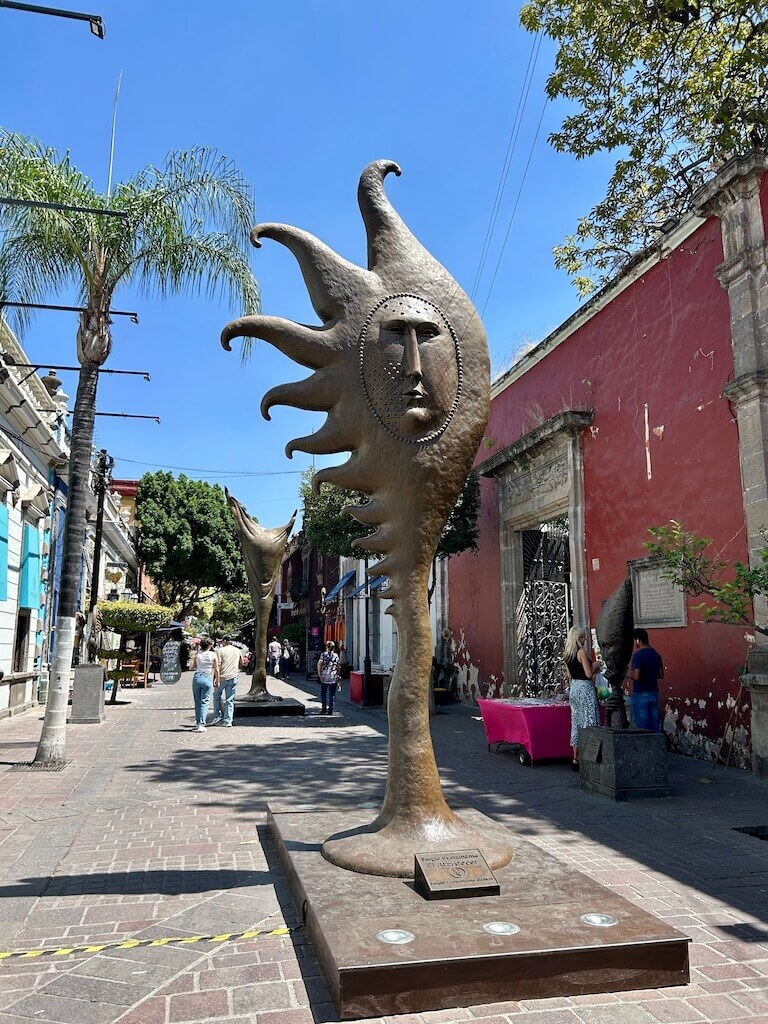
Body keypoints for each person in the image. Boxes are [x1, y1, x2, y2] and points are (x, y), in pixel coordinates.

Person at [563, 626, 600, 771]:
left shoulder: (567, 654)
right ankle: (589, 757)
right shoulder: (581, 652)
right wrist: (596, 666)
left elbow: (569, 675)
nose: (585, 639)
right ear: (579, 638)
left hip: (575, 688)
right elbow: (588, 674)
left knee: (576, 722)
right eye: (583, 637)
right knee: (589, 720)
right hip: (585, 689)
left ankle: (575, 758)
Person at [628, 628, 664, 732]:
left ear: (638, 640)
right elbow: (661, 674)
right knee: (655, 725)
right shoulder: (656, 654)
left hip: (640, 693)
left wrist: (627, 674)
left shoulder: (637, 656)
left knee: (643, 728)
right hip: (653, 692)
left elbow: (637, 676)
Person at [190, 637, 219, 732]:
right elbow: (216, 669)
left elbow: (192, 667)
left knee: (197, 701)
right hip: (207, 677)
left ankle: (198, 722)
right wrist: (217, 680)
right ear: (210, 645)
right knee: (205, 701)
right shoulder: (213, 654)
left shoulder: (197, 654)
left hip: (197, 677)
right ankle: (202, 724)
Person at [211, 638, 243, 727]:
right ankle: (228, 721)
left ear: (225, 641)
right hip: (233, 676)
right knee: (230, 700)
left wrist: (215, 678)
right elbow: (242, 663)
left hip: (222, 677)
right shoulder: (237, 650)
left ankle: (217, 716)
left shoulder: (220, 651)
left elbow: (218, 665)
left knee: (216, 695)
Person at [317, 640, 340, 716]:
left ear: (327, 647)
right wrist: (338, 675)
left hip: (324, 676)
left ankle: (324, 708)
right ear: (333, 648)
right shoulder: (336, 655)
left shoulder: (323, 655)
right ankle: (331, 709)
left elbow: (319, 664)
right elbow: (338, 666)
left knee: (323, 692)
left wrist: (319, 674)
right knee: (332, 694)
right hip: (333, 676)